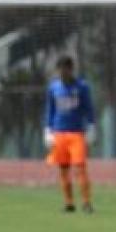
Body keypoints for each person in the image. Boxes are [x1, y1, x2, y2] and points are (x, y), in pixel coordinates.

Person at [44, 55, 96, 213]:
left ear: (71, 69)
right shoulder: (54, 88)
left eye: (65, 69)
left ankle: (86, 202)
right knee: (63, 168)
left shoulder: (82, 87)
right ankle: (69, 203)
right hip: (59, 132)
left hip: (76, 133)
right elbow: (50, 110)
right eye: (59, 70)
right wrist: (47, 129)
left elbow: (89, 108)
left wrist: (92, 126)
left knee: (80, 167)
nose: (62, 73)